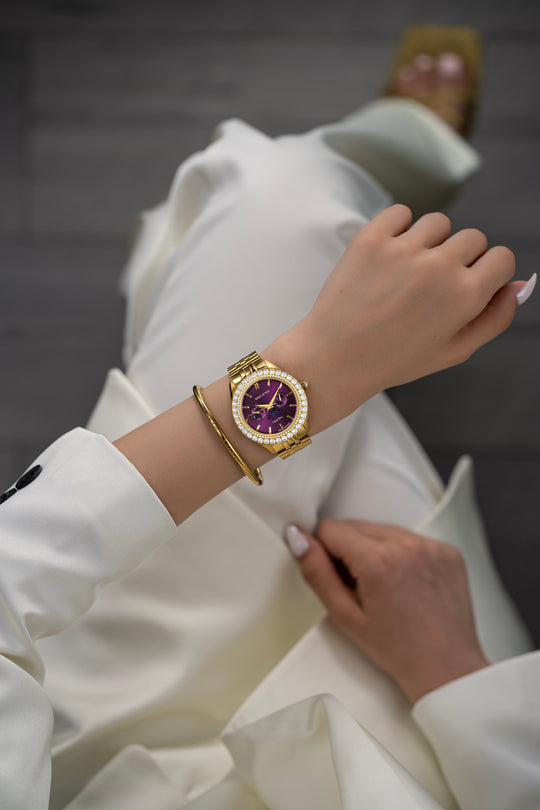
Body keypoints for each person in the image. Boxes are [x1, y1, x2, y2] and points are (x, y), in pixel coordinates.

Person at [0, 23, 538, 810]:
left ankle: (394, 171)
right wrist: (456, 674)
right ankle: (383, 189)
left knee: (275, 192)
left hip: (108, 725)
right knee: (265, 223)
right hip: (426, 754)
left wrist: (315, 373)